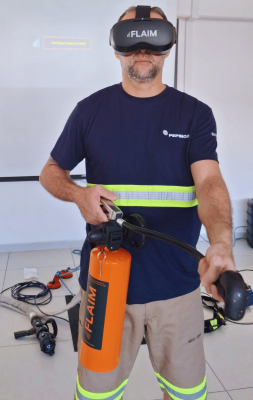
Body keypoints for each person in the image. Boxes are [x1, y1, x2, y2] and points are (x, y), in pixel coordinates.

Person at [39, 6, 236, 400]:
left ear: (169, 47)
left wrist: (222, 241)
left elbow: (210, 181)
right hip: (105, 286)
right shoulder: (90, 111)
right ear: (116, 48)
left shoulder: (194, 114)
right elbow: (50, 171)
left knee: (185, 393)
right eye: (131, 40)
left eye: (154, 38)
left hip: (178, 284)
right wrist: (80, 195)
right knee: (97, 393)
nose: (142, 49)